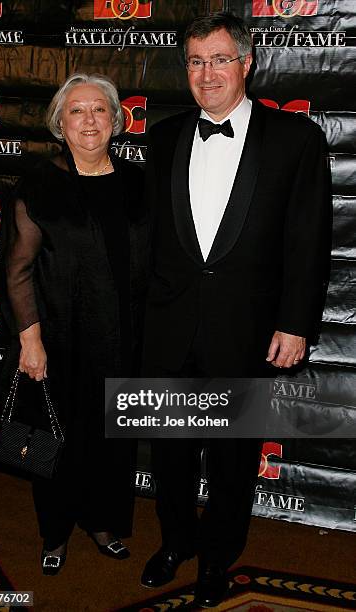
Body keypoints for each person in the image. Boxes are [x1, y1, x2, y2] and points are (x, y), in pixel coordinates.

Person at [140, 11, 331, 608]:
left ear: (247, 62)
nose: (207, 73)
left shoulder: (297, 139)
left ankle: (217, 560)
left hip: (246, 331)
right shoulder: (164, 135)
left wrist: (296, 323)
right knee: (169, 452)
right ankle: (175, 542)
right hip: (168, 326)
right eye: (195, 61)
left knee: (232, 458)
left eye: (220, 58)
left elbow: (308, 239)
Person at [4, 73, 148, 575]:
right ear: (59, 125)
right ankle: (55, 531)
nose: (89, 120)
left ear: (116, 120)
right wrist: (31, 340)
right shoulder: (40, 184)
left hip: (122, 340)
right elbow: (19, 269)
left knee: (112, 440)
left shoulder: (138, 182)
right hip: (60, 340)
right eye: (76, 111)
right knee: (56, 440)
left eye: (99, 110)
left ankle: (103, 521)